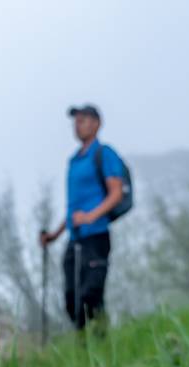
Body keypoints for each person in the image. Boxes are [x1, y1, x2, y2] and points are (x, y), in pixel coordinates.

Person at [40, 104, 125, 331]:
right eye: (75, 121)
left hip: (96, 236)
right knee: (72, 298)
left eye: (83, 120)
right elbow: (73, 208)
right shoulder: (74, 161)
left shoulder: (104, 154)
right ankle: (84, 347)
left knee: (90, 294)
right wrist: (54, 235)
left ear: (96, 123)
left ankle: (103, 341)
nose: (77, 125)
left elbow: (116, 192)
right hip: (74, 238)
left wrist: (90, 216)